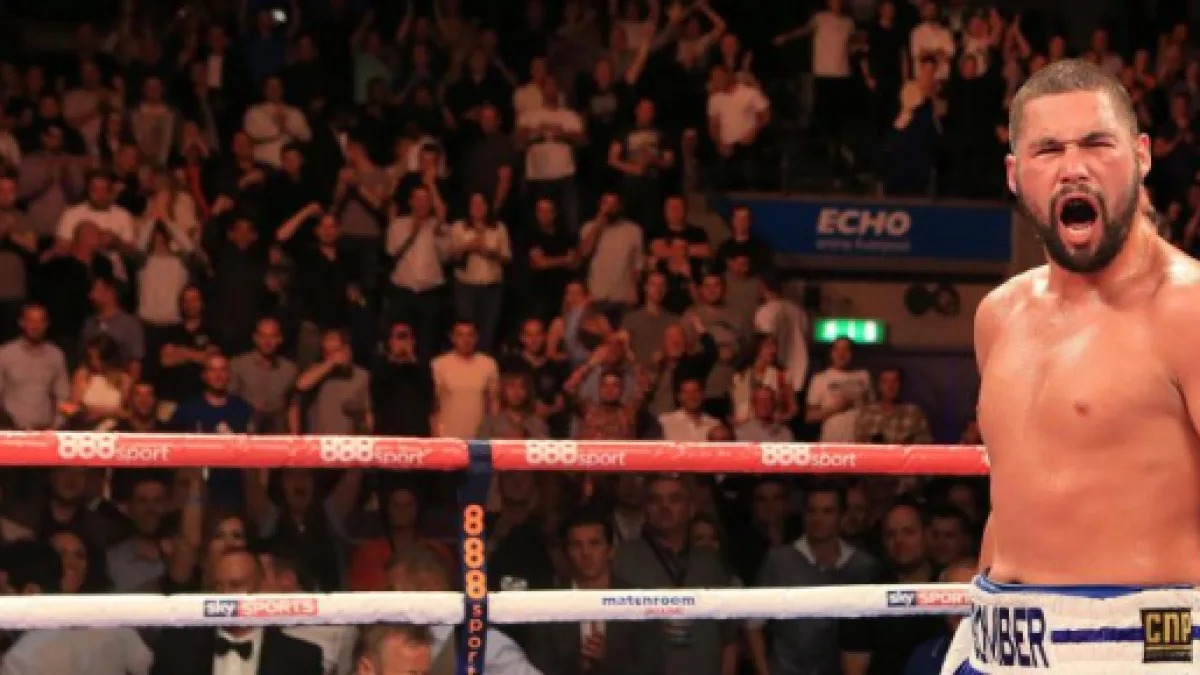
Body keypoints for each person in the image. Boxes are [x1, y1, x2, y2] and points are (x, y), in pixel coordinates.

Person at [942, 58, 1200, 673]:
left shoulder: (1188, 308)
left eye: (1096, 143)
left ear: (1141, 156)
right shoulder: (998, 315)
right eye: (1049, 149)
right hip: (998, 640)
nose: (1073, 167)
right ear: (1015, 174)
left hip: (1145, 646)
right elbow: (1015, 492)